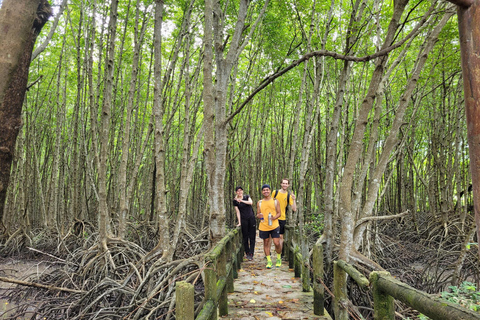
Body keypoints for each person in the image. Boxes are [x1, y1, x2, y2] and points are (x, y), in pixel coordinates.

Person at [257, 184, 282, 269]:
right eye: (264, 190)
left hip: (274, 225)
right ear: (262, 192)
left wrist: (274, 217)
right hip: (264, 226)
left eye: (267, 190)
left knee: (277, 242)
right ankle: (269, 261)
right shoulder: (259, 202)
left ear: (270, 191)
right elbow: (258, 214)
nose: (266, 191)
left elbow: (279, 213)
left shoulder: (275, 201)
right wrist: (259, 216)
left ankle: (278, 258)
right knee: (266, 242)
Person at [273, 178, 296, 259]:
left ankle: (280, 254)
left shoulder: (288, 195)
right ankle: (268, 254)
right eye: (283, 183)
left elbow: (294, 208)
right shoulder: (274, 193)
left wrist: (294, 199)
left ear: (288, 185)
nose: (285, 185)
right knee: (270, 236)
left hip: (282, 218)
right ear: (281, 184)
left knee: (280, 237)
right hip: (273, 217)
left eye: (286, 183)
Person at [233, 186, 256, 261]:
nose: (239, 192)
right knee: (245, 237)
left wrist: (241, 200)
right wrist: (239, 222)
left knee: (252, 237)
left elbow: (250, 203)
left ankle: (252, 253)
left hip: (251, 218)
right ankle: (247, 252)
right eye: (238, 191)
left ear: (242, 191)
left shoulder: (247, 197)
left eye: (241, 190)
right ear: (236, 192)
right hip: (244, 220)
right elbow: (237, 212)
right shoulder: (235, 201)